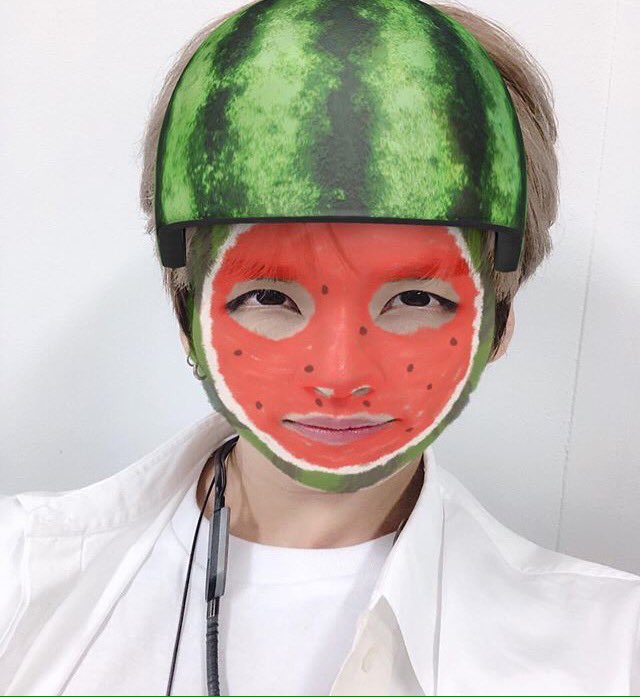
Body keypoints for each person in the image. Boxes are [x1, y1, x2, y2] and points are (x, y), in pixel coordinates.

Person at [1, 1, 638, 695]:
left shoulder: (610, 651)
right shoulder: (19, 575)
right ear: (186, 315)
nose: (339, 376)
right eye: (270, 298)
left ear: (499, 325)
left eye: (415, 299)